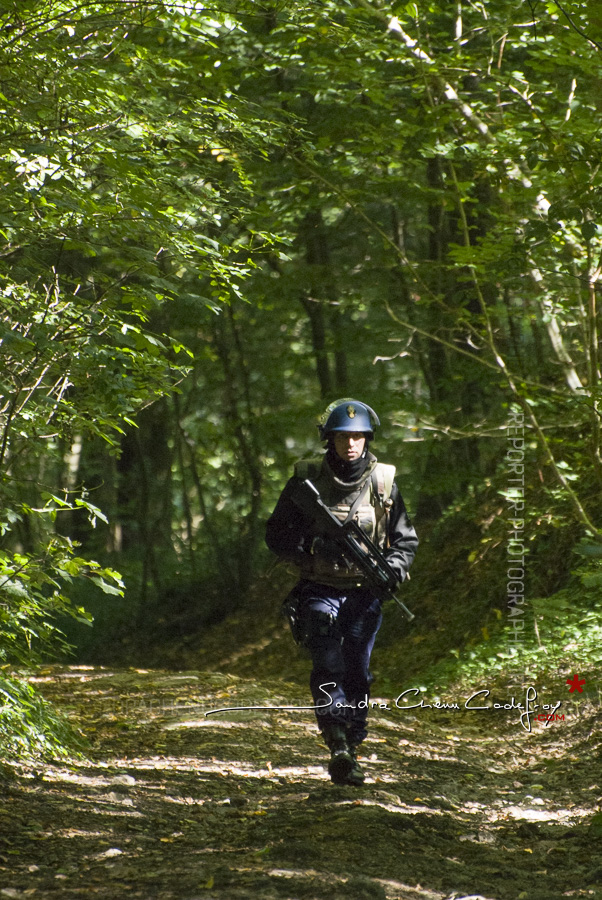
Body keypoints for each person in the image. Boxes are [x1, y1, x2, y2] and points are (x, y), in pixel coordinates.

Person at [265, 398, 418, 785]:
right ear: (329, 439)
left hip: (365, 594)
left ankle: (353, 740)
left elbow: (404, 542)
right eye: (343, 437)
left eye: (358, 437)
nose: (351, 444)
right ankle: (337, 746)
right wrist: (315, 548)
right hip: (318, 589)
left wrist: (395, 571)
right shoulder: (306, 480)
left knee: (358, 674)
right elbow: (276, 535)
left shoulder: (383, 482)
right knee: (328, 667)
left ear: (367, 439)